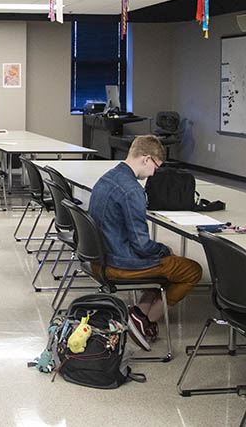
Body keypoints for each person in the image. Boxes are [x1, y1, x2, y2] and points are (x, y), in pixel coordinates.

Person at [88, 135, 202, 350]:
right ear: (146, 159)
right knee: (191, 270)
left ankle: (139, 315)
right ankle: (146, 320)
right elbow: (142, 246)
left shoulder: (107, 178)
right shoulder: (132, 190)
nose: (154, 173)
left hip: (100, 259)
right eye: (156, 166)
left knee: (166, 263)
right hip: (119, 264)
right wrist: (162, 249)